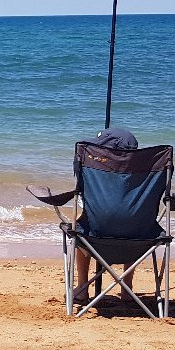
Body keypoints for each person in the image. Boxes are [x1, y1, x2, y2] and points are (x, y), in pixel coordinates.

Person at [73, 126, 139, 304]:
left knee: (80, 227)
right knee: (135, 222)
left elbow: (79, 188)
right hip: (140, 240)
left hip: (95, 238)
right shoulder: (145, 174)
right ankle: (127, 288)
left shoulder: (94, 172)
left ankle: (82, 288)